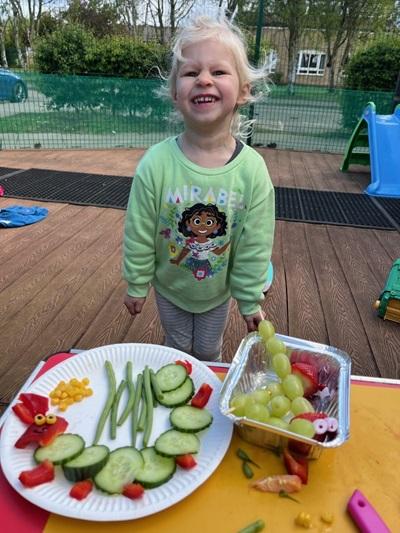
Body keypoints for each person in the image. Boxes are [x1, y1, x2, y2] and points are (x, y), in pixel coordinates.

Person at [123, 15, 275, 362]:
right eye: (191, 73)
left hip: (216, 292)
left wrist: (249, 297)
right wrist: (136, 282)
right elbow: (139, 231)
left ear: (243, 91)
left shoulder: (251, 170)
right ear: (175, 93)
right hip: (169, 286)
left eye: (218, 72)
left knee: (208, 350)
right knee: (177, 345)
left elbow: (255, 243)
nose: (204, 79)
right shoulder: (155, 163)